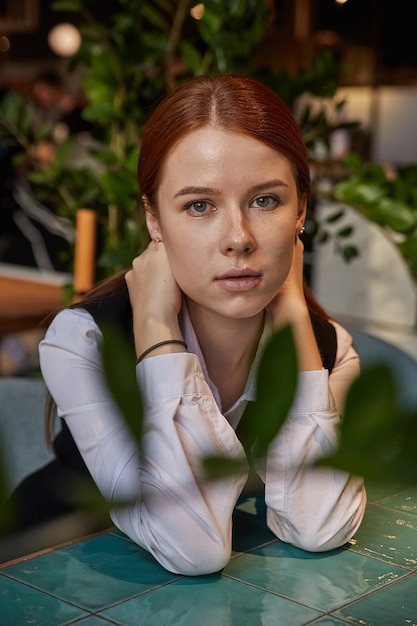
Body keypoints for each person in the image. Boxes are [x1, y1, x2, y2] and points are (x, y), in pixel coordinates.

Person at [7, 74, 366, 575]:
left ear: (301, 209)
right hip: (41, 570)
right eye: (200, 205)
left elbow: (321, 526)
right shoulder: (85, 341)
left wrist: (292, 318)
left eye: (266, 201)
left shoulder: (329, 349)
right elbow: (193, 548)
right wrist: (156, 325)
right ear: (154, 220)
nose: (238, 238)